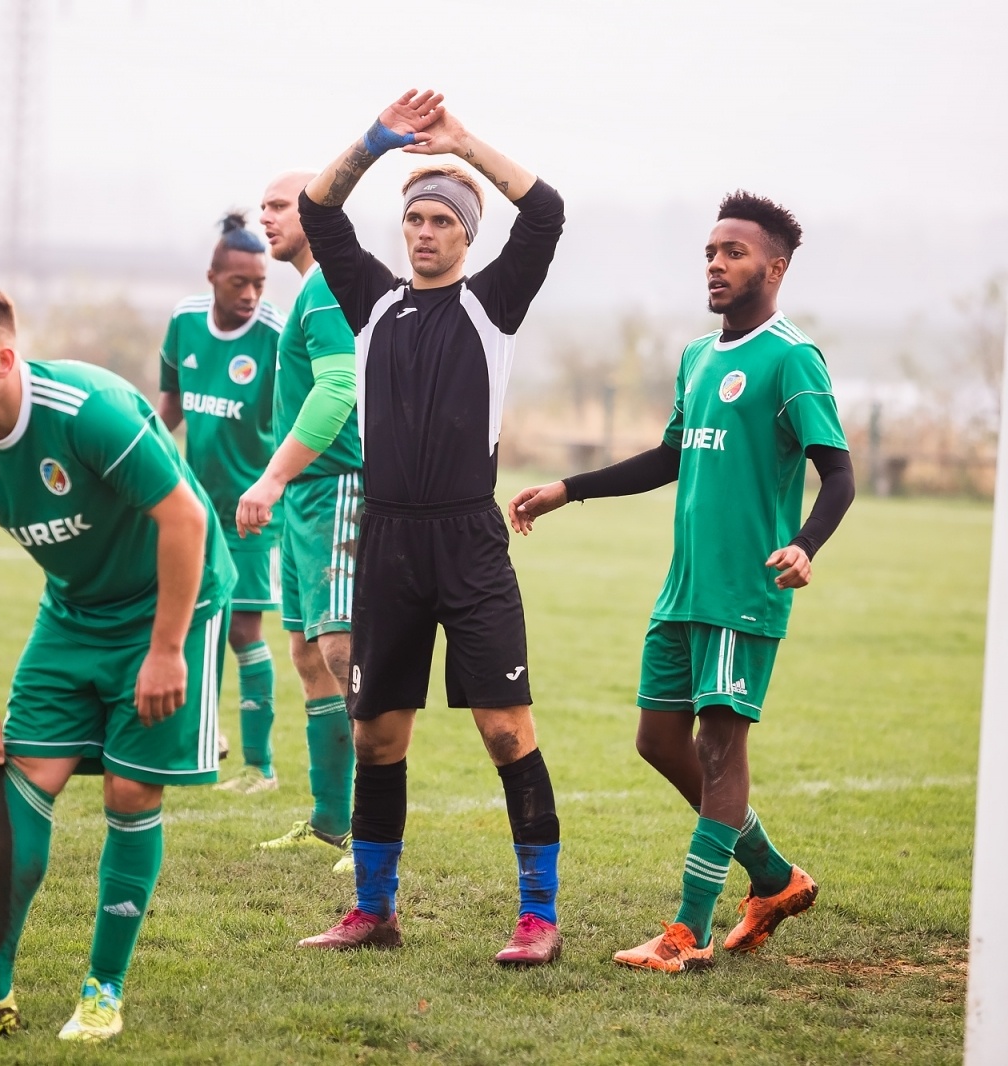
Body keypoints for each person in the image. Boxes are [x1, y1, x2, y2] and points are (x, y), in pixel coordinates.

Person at [511, 191, 855, 972]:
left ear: (775, 267)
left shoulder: (792, 357)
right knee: (658, 740)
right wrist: (569, 489)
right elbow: (671, 456)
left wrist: (805, 546)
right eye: (709, 252)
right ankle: (773, 876)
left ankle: (686, 934)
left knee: (721, 749)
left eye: (734, 252)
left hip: (743, 592)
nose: (716, 264)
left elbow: (838, 474)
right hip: (684, 590)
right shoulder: (699, 357)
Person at [267, 90, 568, 965]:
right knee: (376, 734)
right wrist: (374, 142)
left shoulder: (492, 305)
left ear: (467, 234)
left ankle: (538, 918)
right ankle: (374, 910)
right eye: (416, 219)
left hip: (468, 543)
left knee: (506, 731)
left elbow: (545, 213)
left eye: (442, 220)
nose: (425, 232)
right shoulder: (371, 303)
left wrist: (462, 146)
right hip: (387, 541)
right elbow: (320, 211)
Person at [0, 281, 235, 1042]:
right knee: (25, 773)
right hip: (74, 611)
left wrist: (166, 651)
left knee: (131, 789)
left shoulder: (86, 411)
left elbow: (183, 519)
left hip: (172, 602)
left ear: (4, 358)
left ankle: (103, 991)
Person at [233, 171, 362, 865]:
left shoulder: (331, 284)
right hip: (305, 500)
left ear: (319, 211)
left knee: (344, 653)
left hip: (339, 488)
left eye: (280, 206)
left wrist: (272, 476)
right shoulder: (309, 289)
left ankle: (372, 829)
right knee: (309, 655)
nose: (267, 217)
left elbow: (340, 388)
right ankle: (328, 821)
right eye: (264, 207)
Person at [158, 213, 285, 794]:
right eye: (240, 283)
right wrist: (139, 459)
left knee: (241, 629)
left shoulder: (276, 334)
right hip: (193, 509)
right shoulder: (185, 320)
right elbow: (170, 405)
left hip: (253, 513)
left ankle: (260, 767)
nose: (251, 294)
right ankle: (203, 738)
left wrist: (275, 486)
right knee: (188, 620)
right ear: (212, 276)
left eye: (260, 283)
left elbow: (298, 418)